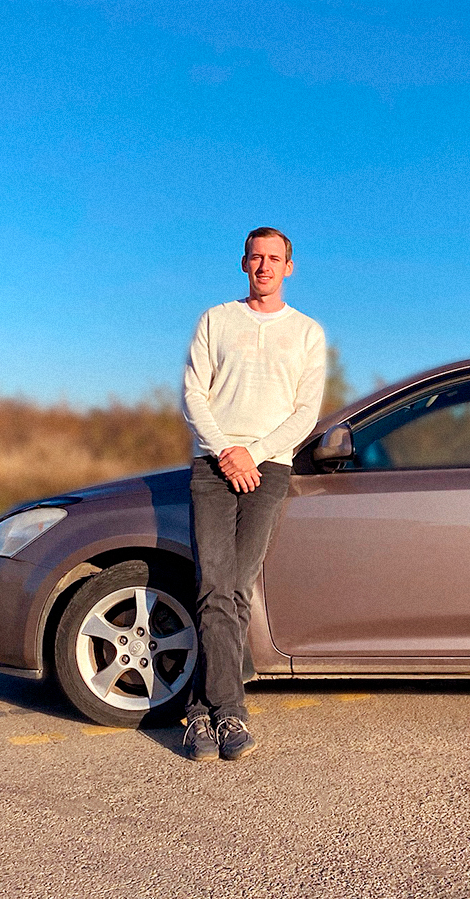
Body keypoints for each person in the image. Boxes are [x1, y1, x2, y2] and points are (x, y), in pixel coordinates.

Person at [180, 226, 326, 761]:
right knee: (215, 586)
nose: (264, 266)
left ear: (290, 267)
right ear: (243, 263)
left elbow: (305, 413)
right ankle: (230, 712)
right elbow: (194, 392)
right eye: (255, 257)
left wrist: (253, 452)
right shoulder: (216, 320)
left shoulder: (307, 332)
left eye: (274, 258)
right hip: (213, 467)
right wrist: (226, 451)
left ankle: (199, 711)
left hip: (269, 470)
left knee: (236, 588)